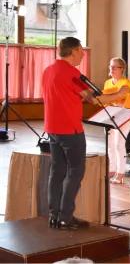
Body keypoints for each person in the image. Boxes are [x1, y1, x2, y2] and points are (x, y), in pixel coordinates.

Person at [42, 37, 98, 229]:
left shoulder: (49, 70)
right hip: (70, 129)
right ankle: (66, 217)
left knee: (57, 172)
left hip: (53, 128)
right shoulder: (71, 73)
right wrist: (122, 93)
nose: (83, 53)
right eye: (81, 50)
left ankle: (53, 215)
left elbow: (62, 96)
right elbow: (94, 100)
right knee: (75, 172)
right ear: (73, 51)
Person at [102, 57, 130, 184]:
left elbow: (129, 102)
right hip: (110, 115)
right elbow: (105, 98)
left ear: (122, 69)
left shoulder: (127, 83)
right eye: (111, 66)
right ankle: (112, 168)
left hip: (123, 116)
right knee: (110, 144)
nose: (112, 69)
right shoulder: (108, 82)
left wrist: (117, 99)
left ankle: (121, 173)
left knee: (119, 144)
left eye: (115, 67)